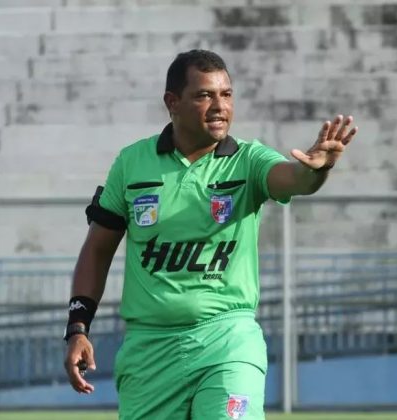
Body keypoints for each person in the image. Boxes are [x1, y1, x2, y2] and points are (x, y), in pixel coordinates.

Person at [63, 49, 358, 419]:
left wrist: (317, 169)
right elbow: (97, 249)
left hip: (228, 341)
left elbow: (293, 179)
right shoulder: (131, 163)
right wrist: (77, 327)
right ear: (172, 102)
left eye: (226, 94)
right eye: (204, 95)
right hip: (150, 351)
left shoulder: (248, 159)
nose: (220, 106)